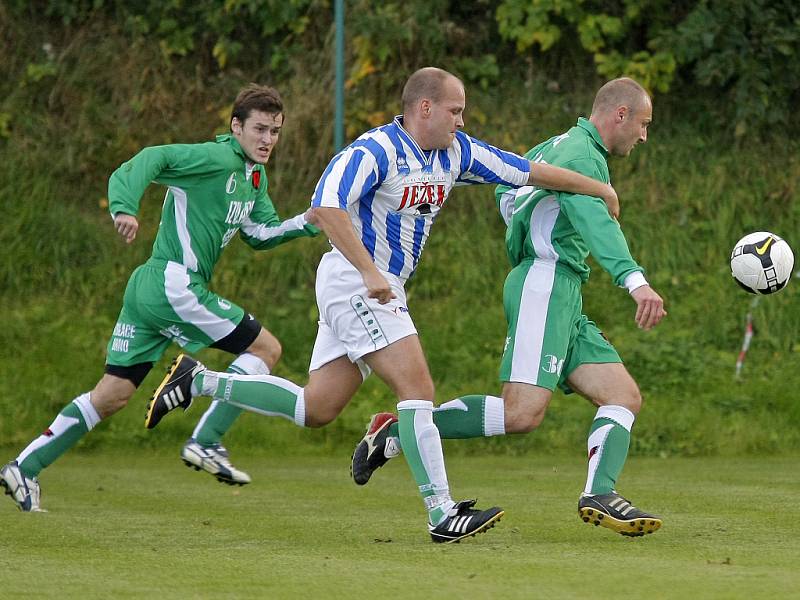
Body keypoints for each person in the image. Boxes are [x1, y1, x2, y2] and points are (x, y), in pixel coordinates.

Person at [145, 67, 620, 543]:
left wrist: (598, 187)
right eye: (455, 110)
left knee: (318, 407)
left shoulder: (458, 151)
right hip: (357, 281)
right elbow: (328, 208)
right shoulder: (375, 150)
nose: (461, 119)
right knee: (417, 388)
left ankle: (199, 380)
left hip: (371, 285)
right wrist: (371, 272)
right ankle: (442, 513)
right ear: (425, 107)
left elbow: (528, 170)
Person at [348, 77, 667, 537]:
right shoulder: (581, 156)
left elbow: (508, 186)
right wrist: (636, 283)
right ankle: (399, 431)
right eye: (643, 123)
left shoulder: (561, 143)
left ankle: (600, 494)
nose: (643, 135)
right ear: (620, 114)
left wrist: (522, 223)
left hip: (565, 289)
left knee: (623, 396)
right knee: (521, 414)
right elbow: (597, 225)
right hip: (545, 282)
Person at [0, 84, 319, 512]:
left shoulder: (254, 177)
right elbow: (152, 157)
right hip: (173, 283)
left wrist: (310, 221)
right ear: (236, 126)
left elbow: (261, 233)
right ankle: (206, 440)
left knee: (112, 395)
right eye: (259, 129)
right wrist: (124, 205)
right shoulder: (216, 157)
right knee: (267, 348)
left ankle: (25, 466)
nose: (267, 140)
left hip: (153, 288)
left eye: (275, 131)